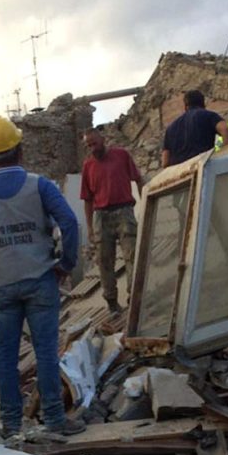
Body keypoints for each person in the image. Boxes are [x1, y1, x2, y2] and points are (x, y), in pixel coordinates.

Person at [0, 115, 84, 438]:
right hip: (41, 280)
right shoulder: (38, 185)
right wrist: (65, 265)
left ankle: (12, 424)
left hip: (2, 286)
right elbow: (69, 222)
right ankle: (54, 419)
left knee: (6, 357)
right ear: (19, 148)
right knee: (45, 352)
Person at [80, 129, 144, 315]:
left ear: (103, 140)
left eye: (94, 143)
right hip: (101, 215)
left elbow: (138, 179)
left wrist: (146, 203)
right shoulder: (88, 166)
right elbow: (87, 199)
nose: (92, 148)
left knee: (132, 255)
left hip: (124, 210)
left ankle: (134, 298)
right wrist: (90, 227)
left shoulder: (121, 155)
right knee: (105, 261)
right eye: (89, 145)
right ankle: (112, 302)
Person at [161, 90, 228, 167]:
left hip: (181, 174)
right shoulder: (209, 116)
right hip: (203, 166)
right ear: (203, 103)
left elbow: (165, 162)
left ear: (185, 106)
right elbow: (225, 129)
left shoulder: (170, 129)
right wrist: (226, 155)